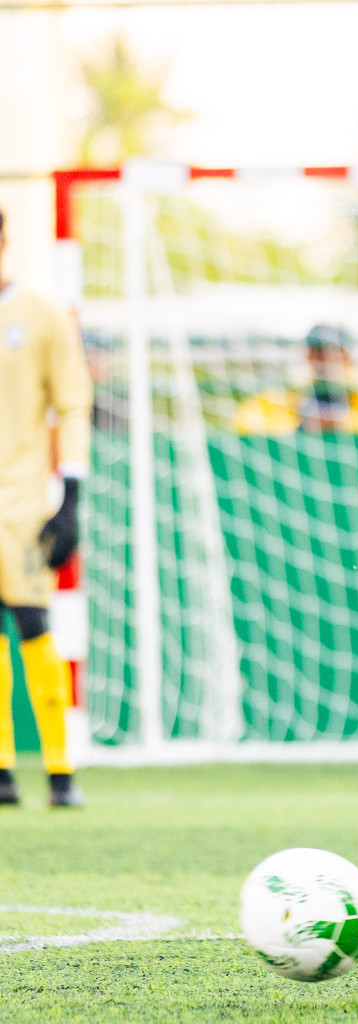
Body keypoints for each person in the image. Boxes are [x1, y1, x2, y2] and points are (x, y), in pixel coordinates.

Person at [0, 208, 91, 808]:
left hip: (22, 498)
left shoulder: (39, 315)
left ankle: (60, 772)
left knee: (33, 624)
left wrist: (71, 498)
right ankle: (2, 771)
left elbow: (73, 402)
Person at [233, 325, 358, 435]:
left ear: (346, 357)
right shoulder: (292, 390)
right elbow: (244, 421)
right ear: (307, 355)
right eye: (317, 351)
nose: (324, 359)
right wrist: (300, 424)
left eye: (332, 352)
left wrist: (339, 421)